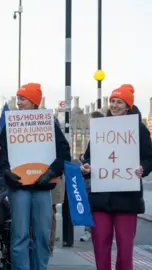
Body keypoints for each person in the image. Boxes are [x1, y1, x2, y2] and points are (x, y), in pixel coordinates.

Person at [0, 83, 71, 270]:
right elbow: (2, 151)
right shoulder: (10, 124)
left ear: (34, 101)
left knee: (42, 236)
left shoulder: (50, 124)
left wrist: (51, 173)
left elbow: (64, 153)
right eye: (18, 98)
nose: (18, 102)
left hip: (42, 187)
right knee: (19, 235)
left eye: (22, 98)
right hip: (19, 186)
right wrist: (6, 171)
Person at [81, 84, 152, 270]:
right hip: (101, 197)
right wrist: (86, 166)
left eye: (119, 102)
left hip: (127, 198)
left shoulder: (139, 129)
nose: (114, 105)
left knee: (125, 247)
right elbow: (88, 155)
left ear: (128, 105)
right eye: (112, 101)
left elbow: (149, 157)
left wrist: (142, 168)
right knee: (100, 245)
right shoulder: (100, 127)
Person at [79, 111, 104, 243]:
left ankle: (90, 231)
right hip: (91, 177)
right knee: (89, 204)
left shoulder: (100, 137)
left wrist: (83, 159)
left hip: (95, 177)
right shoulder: (94, 136)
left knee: (90, 205)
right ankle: (90, 231)